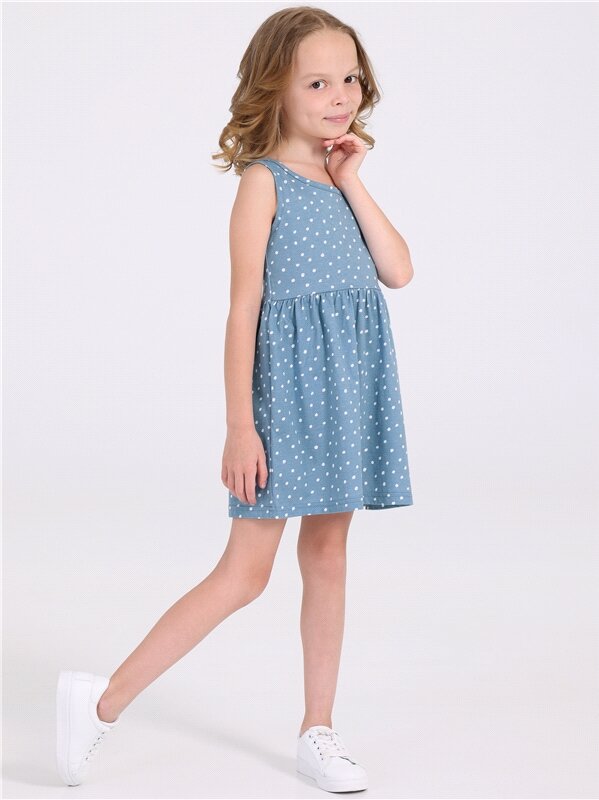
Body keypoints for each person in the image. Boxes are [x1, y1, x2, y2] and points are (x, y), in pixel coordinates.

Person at [56, 5, 414, 793]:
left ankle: (317, 729)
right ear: (273, 88)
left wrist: (353, 178)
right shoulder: (263, 183)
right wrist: (239, 426)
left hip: (346, 393)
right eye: (316, 83)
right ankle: (102, 703)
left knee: (327, 555)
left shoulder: (339, 179)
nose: (339, 96)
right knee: (245, 574)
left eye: (349, 79)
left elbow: (397, 270)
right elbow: (243, 308)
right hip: (287, 400)